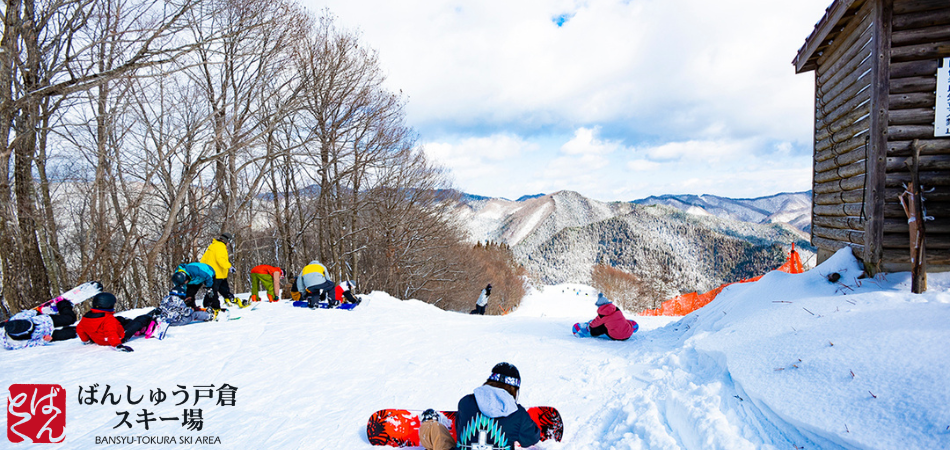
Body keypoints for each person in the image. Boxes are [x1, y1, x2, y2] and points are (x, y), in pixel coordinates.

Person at [420, 362, 540, 450]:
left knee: (435, 430)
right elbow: (531, 439)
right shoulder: (518, 414)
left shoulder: (465, 402)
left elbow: (458, 428)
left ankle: (429, 423)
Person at [76, 292, 159, 351]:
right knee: (142, 318)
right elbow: (110, 333)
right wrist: (118, 345)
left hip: (99, 339)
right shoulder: (108, 319)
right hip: (119, 337)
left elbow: (79, 329)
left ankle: (135, 326)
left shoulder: (86, 316)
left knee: (120, 319)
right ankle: (148, 326)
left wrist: (87, 340)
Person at [2, 300, 79, 350]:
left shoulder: (17, 318)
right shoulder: (14, 343)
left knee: (70, 319)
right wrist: (44, 340)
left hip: (45, 321)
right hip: (45, 335)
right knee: (71, 334)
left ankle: (62, 303)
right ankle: (77, 330)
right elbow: (32, 344)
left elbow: (30, 313)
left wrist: (37, 313)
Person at [200, 232, 239, 308]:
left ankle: (230, 299)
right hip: (217, 274)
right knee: (213, 291)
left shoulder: (212, 246)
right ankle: (211, 306)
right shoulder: (220, 246)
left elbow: (203, 259)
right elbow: (220, 259)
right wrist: (229, 267)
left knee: (223, 289)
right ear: (226, 240)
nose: (228, 243)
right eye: (229, 241)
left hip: (214, 274)